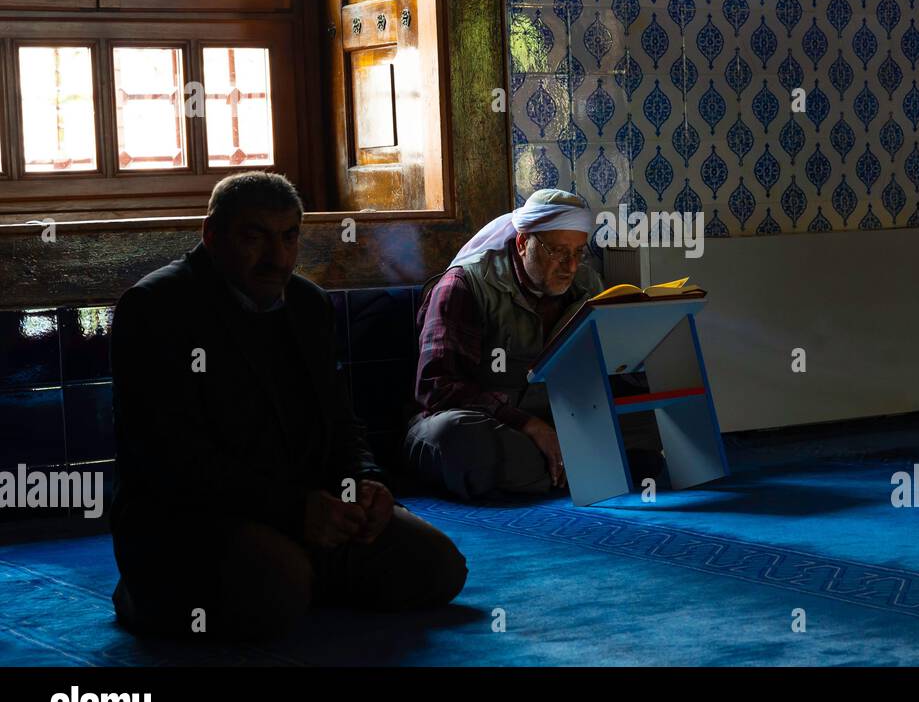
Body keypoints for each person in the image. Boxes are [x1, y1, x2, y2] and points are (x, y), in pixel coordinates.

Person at [109, 171, 467, 641]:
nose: (277, 259)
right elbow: (174, 460)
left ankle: (298, 570)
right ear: (212, 236)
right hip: (197, 517)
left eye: (289, 237)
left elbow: (341, 422)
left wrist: (366, 483)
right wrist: (293, 510)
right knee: (278, 588)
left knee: (437, 567)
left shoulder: (307, 305)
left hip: (308, 508)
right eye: (254, 238)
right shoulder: (156, 307)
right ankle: (150, 595)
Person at [402, 188, 664, 500]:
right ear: (524, 243)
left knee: (652, 421)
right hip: (488, 423)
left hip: (557, 424)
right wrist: (530, 425)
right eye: (557, 252)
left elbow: (599, 371)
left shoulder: (587, 285)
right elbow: (438, 389)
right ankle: (583, 466)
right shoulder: (463, 286)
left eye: (578, 252)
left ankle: (553, 467)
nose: (569, 266)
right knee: (456, 439)